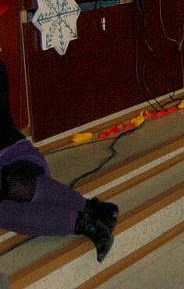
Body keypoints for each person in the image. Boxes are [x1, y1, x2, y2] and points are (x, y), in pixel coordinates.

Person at [0, 60, 118, 262]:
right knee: (3, 211)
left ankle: (91, 207)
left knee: (14, 184)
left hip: (16, 159)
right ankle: (85, 225)